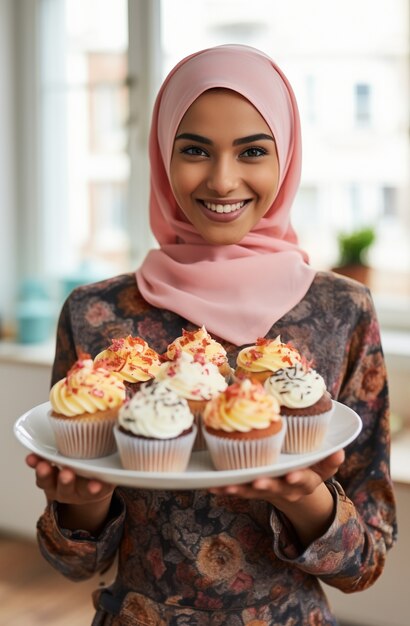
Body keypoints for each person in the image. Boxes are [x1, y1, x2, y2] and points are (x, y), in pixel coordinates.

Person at [26, 44, 396, 626]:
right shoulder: (96, 315)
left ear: (288, 158)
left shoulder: (341, 310)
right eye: (195, 150)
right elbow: (70, 563)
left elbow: (367, 560)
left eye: (253, 150)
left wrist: (304, 501)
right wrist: (84, 505)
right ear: (161, 157)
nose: (223, 180)